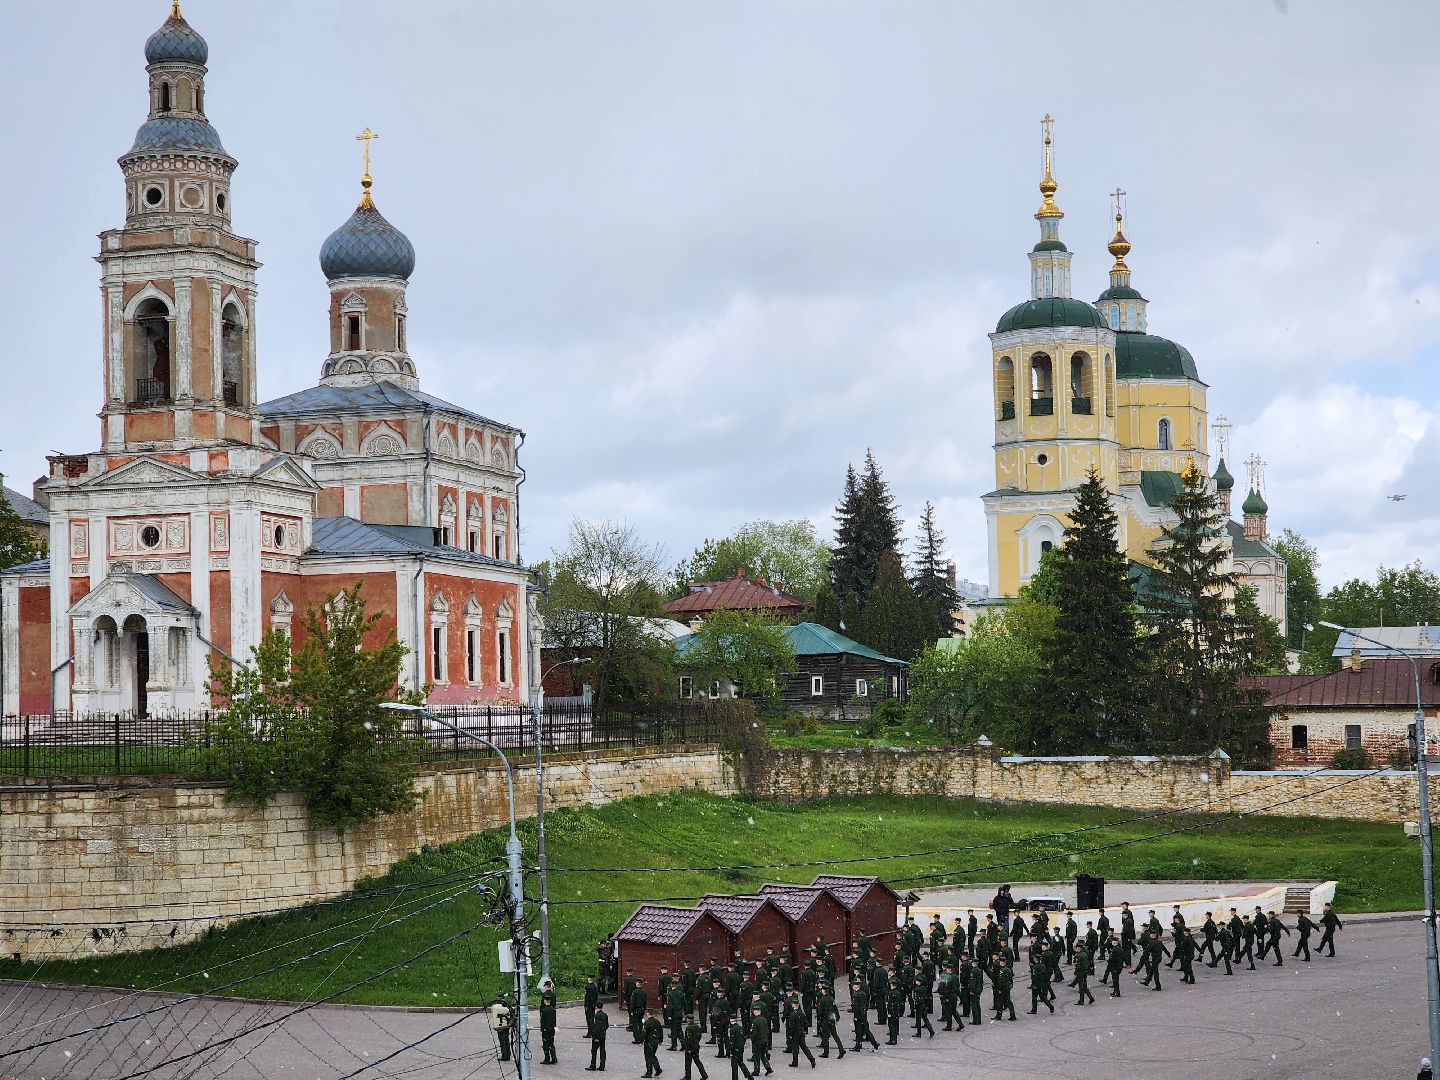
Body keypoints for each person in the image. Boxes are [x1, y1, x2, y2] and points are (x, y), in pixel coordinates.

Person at [815, 985, 845, 1058]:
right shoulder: (831, 998)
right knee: (835, 1035)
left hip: (825, 1020)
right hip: (831, 1019)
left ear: (823, 991)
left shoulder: (822, 999)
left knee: (825, 1036)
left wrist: (818, 1017)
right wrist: (837, 1017)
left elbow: (820, 1011)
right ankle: (841, 1049)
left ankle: (826, 1052)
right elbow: (835, 1008)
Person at [539, 979, 559, 1065]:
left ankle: (547, 1058)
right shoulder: (553, 1009)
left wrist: (542, 1029)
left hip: (546, 1029)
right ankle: (554, 1058)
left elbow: (543, 1021)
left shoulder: (544, 1010)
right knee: (551, 1043)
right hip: (552, 1028)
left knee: (546, 1044)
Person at [683, 1015, 710, 1080]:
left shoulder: (689, 1028)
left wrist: (689, 1049)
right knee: (698, 1062)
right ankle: (704, 1075)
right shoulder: (697, 1027)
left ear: (689, 1020)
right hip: (696, 1047)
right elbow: (699, 1036)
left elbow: (689, 1040)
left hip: (690, 1048)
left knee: (688, 1063)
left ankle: (687, 1077)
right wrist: (696, 1044)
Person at [727, 1015, 753, 1080]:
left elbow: (732, 1041)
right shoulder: (741, 1028)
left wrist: (730, 1051)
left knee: (734, 1066)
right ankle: (749, 1076)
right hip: (741, 1048)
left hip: (735, 1050)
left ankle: (735, 1078)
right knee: (741, 1063)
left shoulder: (732, 1029)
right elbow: (744, 1038)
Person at [991, 956, 1017, 1021]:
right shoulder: (1005, 969)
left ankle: (1001, 1016)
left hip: (1004, 989)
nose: (1002, 963)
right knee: (1004, 1002)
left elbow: (1003, 981)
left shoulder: (1004, 970)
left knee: (1004, 1002)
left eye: (1003, 962)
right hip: (1005, 988)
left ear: (1005, 962)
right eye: (1001, 962)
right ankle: (1009, 1015)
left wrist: (1000, 988)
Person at [749, 1008, 773, 1076]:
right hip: (764, 1039)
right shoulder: (764, 1019)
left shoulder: (755, 1021)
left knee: (756, 1056)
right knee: (762, 1055)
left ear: (756, 1012)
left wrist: (753, 1039)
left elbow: (755, 1033)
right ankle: (768, 1068)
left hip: (758, 1041)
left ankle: (756, 1071)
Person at [643, 1009, 665, 1078]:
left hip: (649, 1041)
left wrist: (640, 1040)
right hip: (656, 1041)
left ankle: (649, 1072)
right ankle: (657, 1068)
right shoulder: (657, 1022)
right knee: (652, 1055)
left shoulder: (647, 1023)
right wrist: (660, 1040)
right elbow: (661, 1031)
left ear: (647, 1014)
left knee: (648, 1057)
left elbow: (644, 1033)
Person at [588, 1002, 609, 1072]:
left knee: (594, 1051)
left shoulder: (596, 1016)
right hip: (603, 1035)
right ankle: (602, 1065)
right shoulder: (605, 1015)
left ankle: (593, 1065)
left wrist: (595, 1035)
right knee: (602, 1051)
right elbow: (607, 1025)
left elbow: (595, 1027)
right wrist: (603, 1031)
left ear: (597, 1007)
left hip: (597, 1036)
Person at [583, 974, 600, 1039]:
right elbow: (596, 996)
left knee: (589, 1019)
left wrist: (586, 1005)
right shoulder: (595, 987)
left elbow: (587, 997)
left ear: (589, 979)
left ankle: (590, 1033)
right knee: (592, 1018)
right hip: (593, 1005)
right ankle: (593, 1032)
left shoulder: (587, 987)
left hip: (588, 1005)